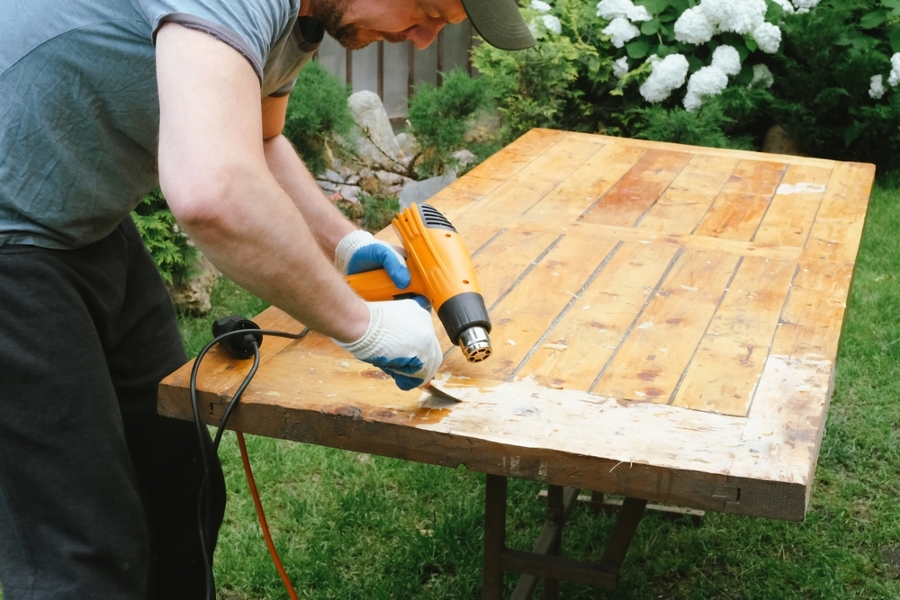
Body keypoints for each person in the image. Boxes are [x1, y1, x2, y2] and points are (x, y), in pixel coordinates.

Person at [0, 0, 533, 598]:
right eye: (426, 9)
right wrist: (364, 326)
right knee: (81, 548)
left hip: (82, 226)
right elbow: (214, 193)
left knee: (182, 483)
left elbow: (259, 137)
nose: (421, 38)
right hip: (11, 240)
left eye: (443, 26)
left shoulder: (301, 19)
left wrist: (343, 242)